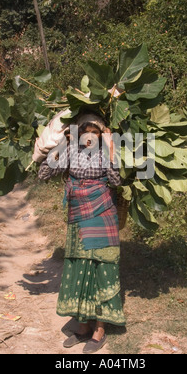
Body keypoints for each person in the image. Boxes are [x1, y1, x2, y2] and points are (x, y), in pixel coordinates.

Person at [39, 113, 126, 354]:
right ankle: (84, 326)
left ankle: (100, 329)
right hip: (77, 213)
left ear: (101, 134)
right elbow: (43, 174)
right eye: (84, 132)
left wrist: (111, 148)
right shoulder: (70, 149)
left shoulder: (105, 150)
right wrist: (60, 144)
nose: (89, 137)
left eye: (95, 132)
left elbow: (116, 180)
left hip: (102, 211)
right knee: (80, 266)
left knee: (101, 266)